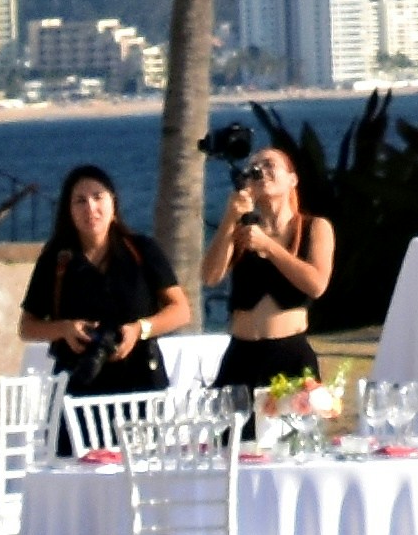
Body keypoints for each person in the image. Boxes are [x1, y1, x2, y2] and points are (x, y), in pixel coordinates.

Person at [18, 163, 186, 402]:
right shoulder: (58, 259)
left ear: (113, 203)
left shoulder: (141, 250)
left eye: (98, 197)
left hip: (140, 384)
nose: (91, 208)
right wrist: (64, 329)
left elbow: (180, 310)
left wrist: (138, 330)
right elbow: (27, 326)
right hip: (78, 387)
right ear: (69, 210)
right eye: (80, 201)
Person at [207, 141, 336, 393]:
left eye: (269, 165)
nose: (260, 170)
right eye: (254, 167)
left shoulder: (314, 227)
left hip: (289, 352)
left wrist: (269, 247)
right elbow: (210, 276)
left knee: (292, 431)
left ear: (292, 179)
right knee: (234, 432)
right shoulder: (241, 230)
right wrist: (230, 219)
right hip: (241, 354)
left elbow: (317, 285)